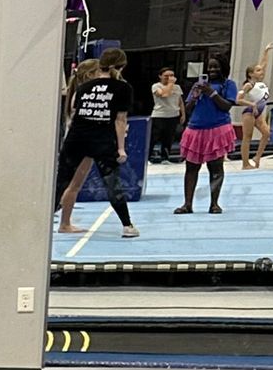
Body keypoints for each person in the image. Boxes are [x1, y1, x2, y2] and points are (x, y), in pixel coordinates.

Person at [55, 45, 140, 237]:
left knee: (63, 182)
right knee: (104, 183)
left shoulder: (82, 89)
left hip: (76, 138)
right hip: (98, 140)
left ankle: (51, 220)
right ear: (121, 67)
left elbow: (76, 113)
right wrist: (120, 148)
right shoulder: (120, 88)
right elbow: (120, 119)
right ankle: (126, 225)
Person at [177, 57, 238, 211]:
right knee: (191, 168)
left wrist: (212, 94)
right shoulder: (197, 86)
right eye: (210, 67)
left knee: (216, 167)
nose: (212, 70)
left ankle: (214, 203)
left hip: (218, 128)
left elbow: (226, 106)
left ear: (223, 68)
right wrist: (195, 95)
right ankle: (187, 204)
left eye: (216, 67)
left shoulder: (228, 85)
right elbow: (188, 107)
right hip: (195, 128)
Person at [235, 54, 271, 170]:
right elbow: (238, 100)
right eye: (258, 70)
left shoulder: (259, 84)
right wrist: (251, 104)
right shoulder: (248, 85)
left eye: (261, 70)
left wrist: (266, 52)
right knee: (247, 137)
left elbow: (264, 64)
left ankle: (257, 157)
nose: (262, 72)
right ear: (251, 74)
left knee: (266, 133)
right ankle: (245, 164)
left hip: (258, 113)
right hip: (249, 113)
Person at [148, 66, 183, 163]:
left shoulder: (177, 87)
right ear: (160, 76)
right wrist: (171, 84)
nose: (169, 78)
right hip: (159, 115)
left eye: (171, 75)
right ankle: (148, 157)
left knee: (169, 138)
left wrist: (182, 114)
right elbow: (164, 94)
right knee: (154, 138)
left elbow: (180, 101)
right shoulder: (156, 86)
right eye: (166, 76)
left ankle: (165, 157)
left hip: (173, 115)